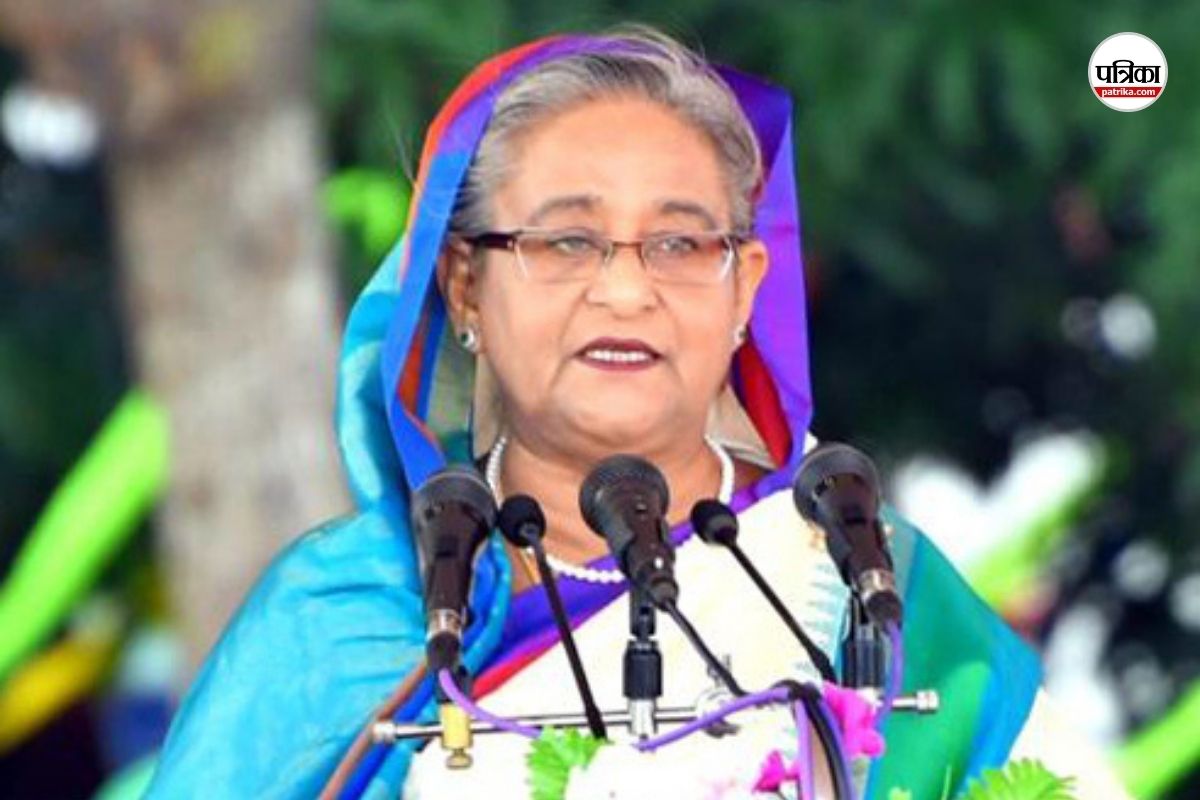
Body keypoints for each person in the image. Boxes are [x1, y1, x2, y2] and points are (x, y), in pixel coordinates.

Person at [144, 28, 1129, 799]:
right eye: (566, 242)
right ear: (465, 285)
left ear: (745, 288)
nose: (625, 292)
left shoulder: (863, 579)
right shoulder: (343, 620)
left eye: (680, 244)